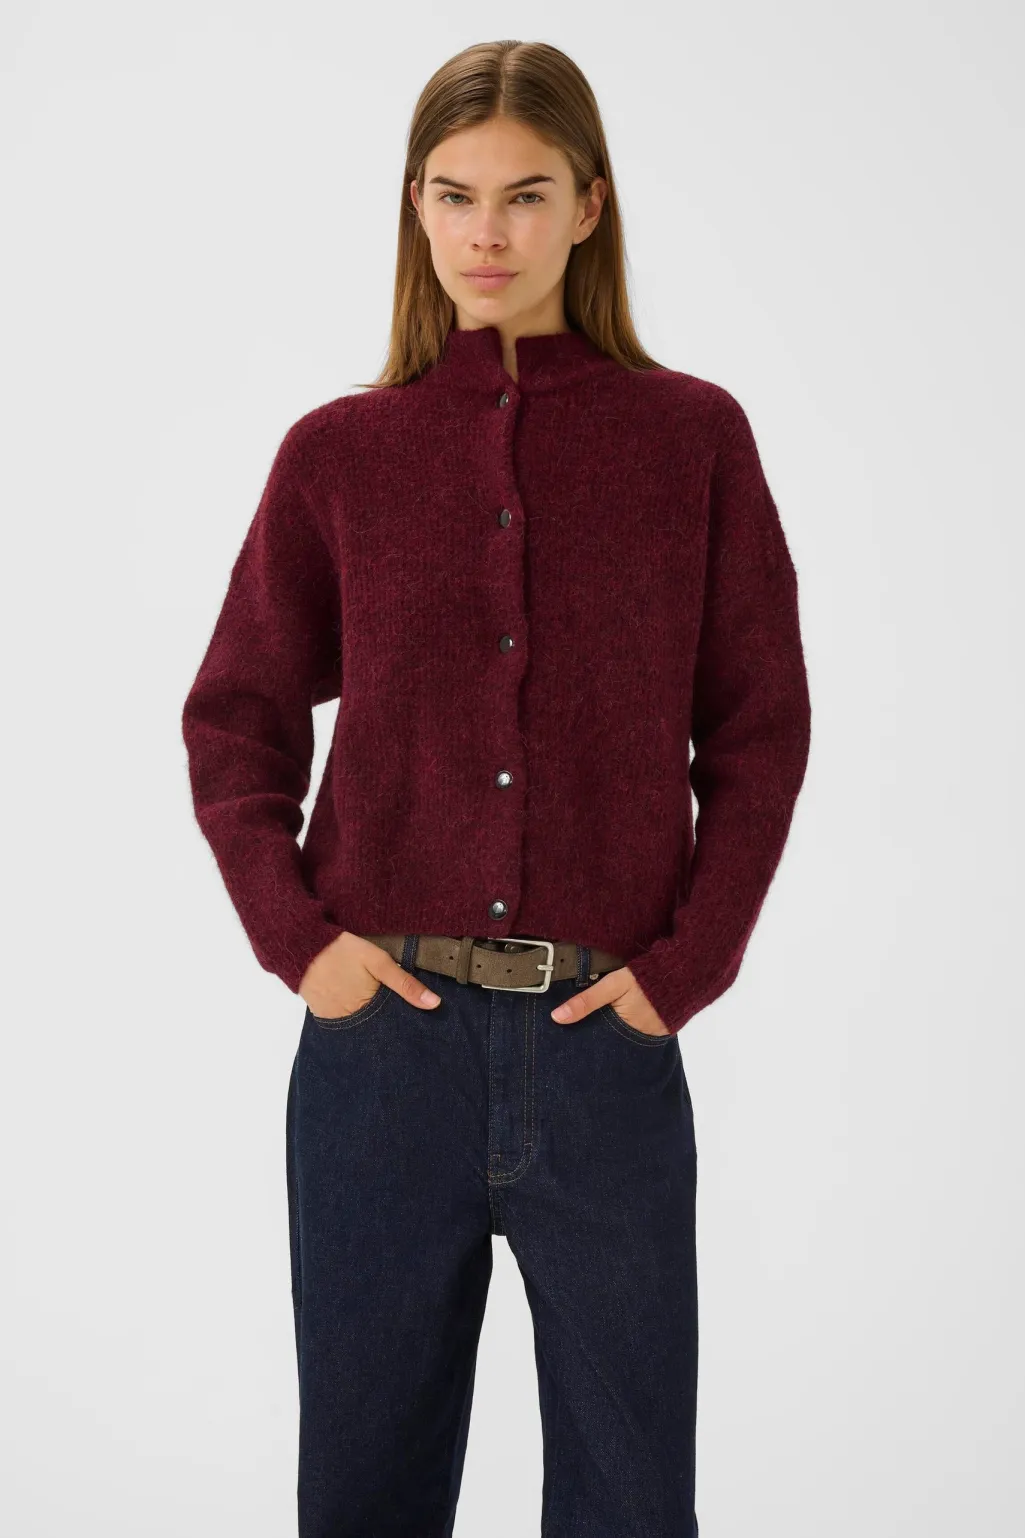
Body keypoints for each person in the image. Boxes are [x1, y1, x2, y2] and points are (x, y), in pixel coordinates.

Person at [180, 37, 811, 1538]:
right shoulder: (340, 455)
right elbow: (236, 720)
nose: (486, 234)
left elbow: (761, 728)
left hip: (605, 1045)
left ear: (589, 206)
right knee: (365, 1495)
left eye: (525, 195)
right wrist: (303, 946)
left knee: (632, 1500)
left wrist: (687, 969)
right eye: (455, 195)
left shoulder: (693, 440)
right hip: (380, 1053)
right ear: (415, 204)